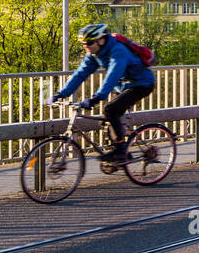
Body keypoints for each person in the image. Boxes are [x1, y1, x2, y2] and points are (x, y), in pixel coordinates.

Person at [52, 23, 157, 162]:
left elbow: (113, 75)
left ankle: (120, 151)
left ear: (101, 40)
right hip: (124, 86)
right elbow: (80, 74)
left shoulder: (118, 51)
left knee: (110, 109)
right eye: (84, 44)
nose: (86, 47)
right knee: (108, 117)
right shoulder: (95, 54)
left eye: (89, 43)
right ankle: (123, 152)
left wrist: (97, 97)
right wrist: (61, 94)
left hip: (142, 84)